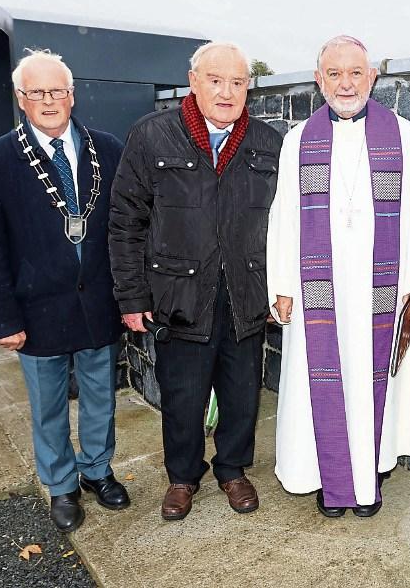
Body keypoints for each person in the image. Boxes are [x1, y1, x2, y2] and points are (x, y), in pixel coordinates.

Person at [267, 36, 410, 517]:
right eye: (334, 74)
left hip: (380, 288)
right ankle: (328, 483)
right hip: (317, 291)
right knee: (320, 378)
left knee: (373, 383)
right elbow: (285, 216)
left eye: (355, 73)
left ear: (371, 77)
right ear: (319, 80)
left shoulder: (402, 135)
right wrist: (283, 284)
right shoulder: (298, 141)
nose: (346, 83)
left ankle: (368, 480)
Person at [109, 42, 282, 521]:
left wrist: (282, 288)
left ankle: (233, 469)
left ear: (249, 87)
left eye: (238, 82)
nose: (227, 92)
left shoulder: (270, 143)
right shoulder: (151, 136)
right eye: (216, 80)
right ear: (193, 81)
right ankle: (183, 477)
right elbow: (126, 222)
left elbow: (288, 226)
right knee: (183, 395)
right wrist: (131, 296)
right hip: (179, 295)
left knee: (243, 391)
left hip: (248, 295)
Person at [0, 50, 129, 532]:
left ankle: (97, 470)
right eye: (36, 92)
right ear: (21, 99)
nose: (49, 100)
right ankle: (61, 484)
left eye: (57, 90)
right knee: (47, 407)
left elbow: (128, 228)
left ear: (72, 94)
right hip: (35, 308)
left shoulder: (107, 148)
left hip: (100, 301)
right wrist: (3, 318)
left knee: (101, 396)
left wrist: (131, 297)